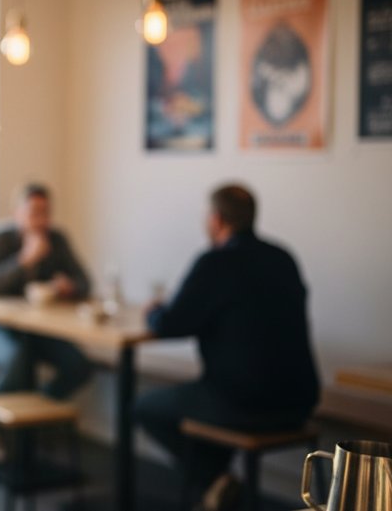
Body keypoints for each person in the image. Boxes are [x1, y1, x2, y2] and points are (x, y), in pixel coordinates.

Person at [134, 184, 319, 511]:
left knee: (144, 407)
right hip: (300, 400)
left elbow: (170, 325)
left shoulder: (215, 262)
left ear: (217, 219)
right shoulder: (283, 257)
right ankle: (217, 490)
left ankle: (214, 479)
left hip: (243, 403)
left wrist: (152, 311)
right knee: (207, 399)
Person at [0, 183, 94, 399]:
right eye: (33, 212)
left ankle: (37, 409)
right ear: (17, 214)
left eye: (45, 213)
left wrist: (69, 286)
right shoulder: (0, 239)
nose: (40, 220)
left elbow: (84, 282)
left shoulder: (56, 240)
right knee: (18, 360)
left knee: (79, 365)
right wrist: (24, 260)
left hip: (36, 330)